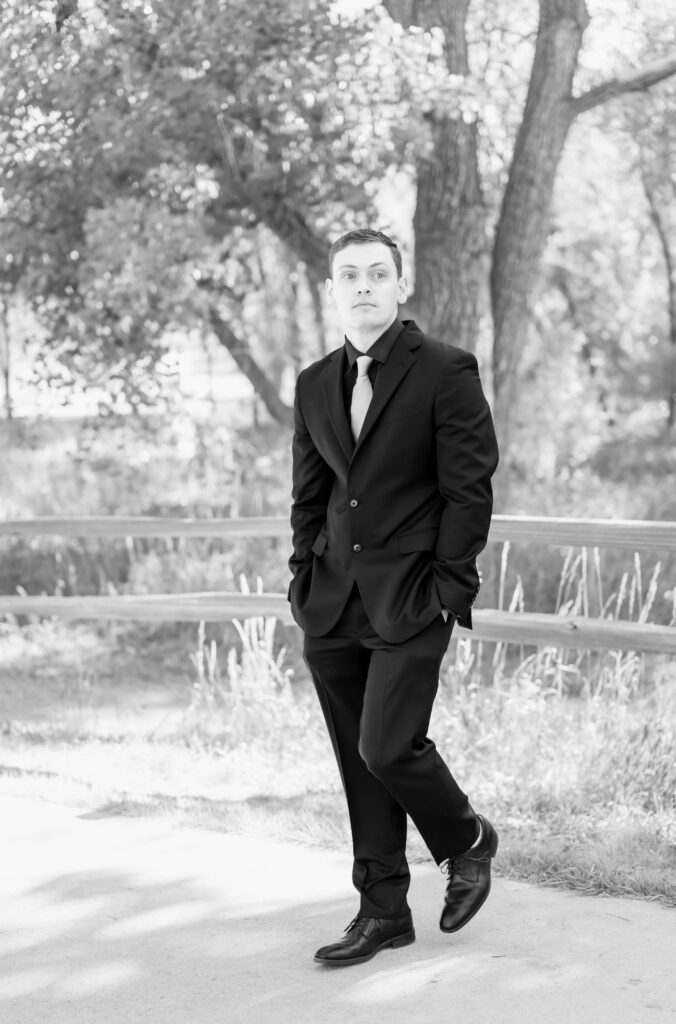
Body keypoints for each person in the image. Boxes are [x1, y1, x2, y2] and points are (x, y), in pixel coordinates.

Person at [288, 228, 499, 967]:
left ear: (400, 286)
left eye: (379, 273)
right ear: (332, 290)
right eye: (349, 275)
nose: (364, 286)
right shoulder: (314, 383)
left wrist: (450, 585)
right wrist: (300, 578)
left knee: (387, 745)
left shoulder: (445, 370)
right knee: (358, 761)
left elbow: (469, 491)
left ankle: (467, 839)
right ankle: (382, 911)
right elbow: (309, 498)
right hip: (331, 602)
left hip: (413, 597)